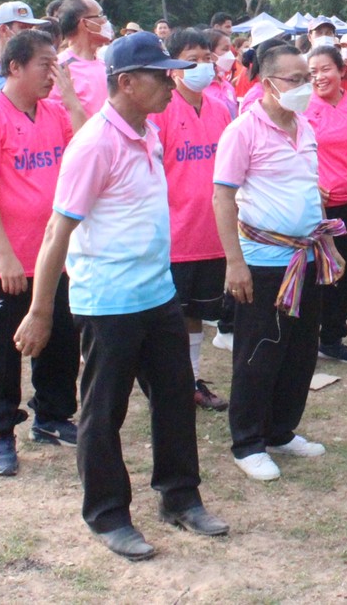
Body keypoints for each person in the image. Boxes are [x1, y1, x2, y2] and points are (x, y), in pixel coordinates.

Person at [15, 32, 226, 559]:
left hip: (157, 293)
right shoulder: (95, 145)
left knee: (175, 398)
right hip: (108, 302)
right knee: (104, 411)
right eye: (162, 76)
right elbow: (57, 231)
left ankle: (180, 497)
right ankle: (107, 515)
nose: (172, 85)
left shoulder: (147, 131)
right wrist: (41, 311)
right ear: (127, 82)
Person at [0, 29, 85, 475]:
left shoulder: (54, 112)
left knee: (61, 339)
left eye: (57, 65)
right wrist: (3, 253)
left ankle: (52, 415)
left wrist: (71, 99)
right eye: (45, 65)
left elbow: (88, 147)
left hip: (55, 253)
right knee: (0, 349)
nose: (53, 74)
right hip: (9, 258)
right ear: (14, 67)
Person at [212, 45, 338, 479]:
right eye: (296, 79)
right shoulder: (243, 131)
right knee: (259, 351)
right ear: (268, 84)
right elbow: (222, 197)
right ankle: (248, 442)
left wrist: (327, 241)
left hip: (307, 256)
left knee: (300, 351)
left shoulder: (305, 126)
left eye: (308, 78)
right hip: (263, 261)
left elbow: (311, 189)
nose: (306, 86)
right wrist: (234, 263)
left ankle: (281, 430)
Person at [146, 28, 234, 412]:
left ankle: (191, 381)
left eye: (206, 58)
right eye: (191, 59)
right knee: (169, 317)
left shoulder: (221, 109)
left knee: (197, 313)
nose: (201, 66)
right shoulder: (160, 110)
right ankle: (168, 384)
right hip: (173, 236)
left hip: (211, 234)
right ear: (173, 65)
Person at [304, 44, 347, 363]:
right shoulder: (304, 108)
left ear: (342, 70)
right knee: (317, 272)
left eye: (325, 69)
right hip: (318, 206)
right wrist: (309, 183)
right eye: (312, 72)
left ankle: (332, 337)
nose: (319, 77)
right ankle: (306, 335)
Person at [53, 0, 113, 117]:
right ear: (85, 23)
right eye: (100, 15)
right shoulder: (59, 69)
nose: (105, 21)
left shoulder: (106, 66)